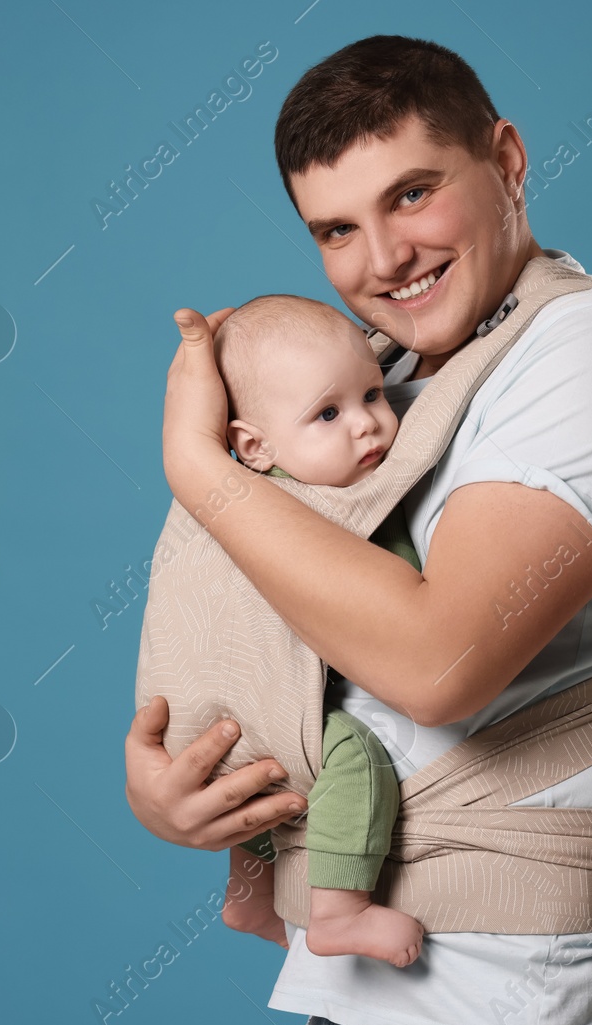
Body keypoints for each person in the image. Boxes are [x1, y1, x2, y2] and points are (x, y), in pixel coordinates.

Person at [125, 34, 592, 1025]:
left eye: (410, 195)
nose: (382, 260)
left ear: (507, 160)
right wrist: (191, 792)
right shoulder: (393, 387)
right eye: (336, 229)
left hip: (517, 1013)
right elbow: (298, 646)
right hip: (363, 999)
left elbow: (435, 665)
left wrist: (201, 467)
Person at [209, 293, 426, 968]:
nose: (367, 425)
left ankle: (247, 895)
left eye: (372, 394)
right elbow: (401, 601)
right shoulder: (334, 504)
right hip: (264, 699)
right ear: (254, 446)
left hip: (226, 711)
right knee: (354, 758)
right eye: (328, 413)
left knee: (265, 790)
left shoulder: (249, 493)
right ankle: (339, 911)